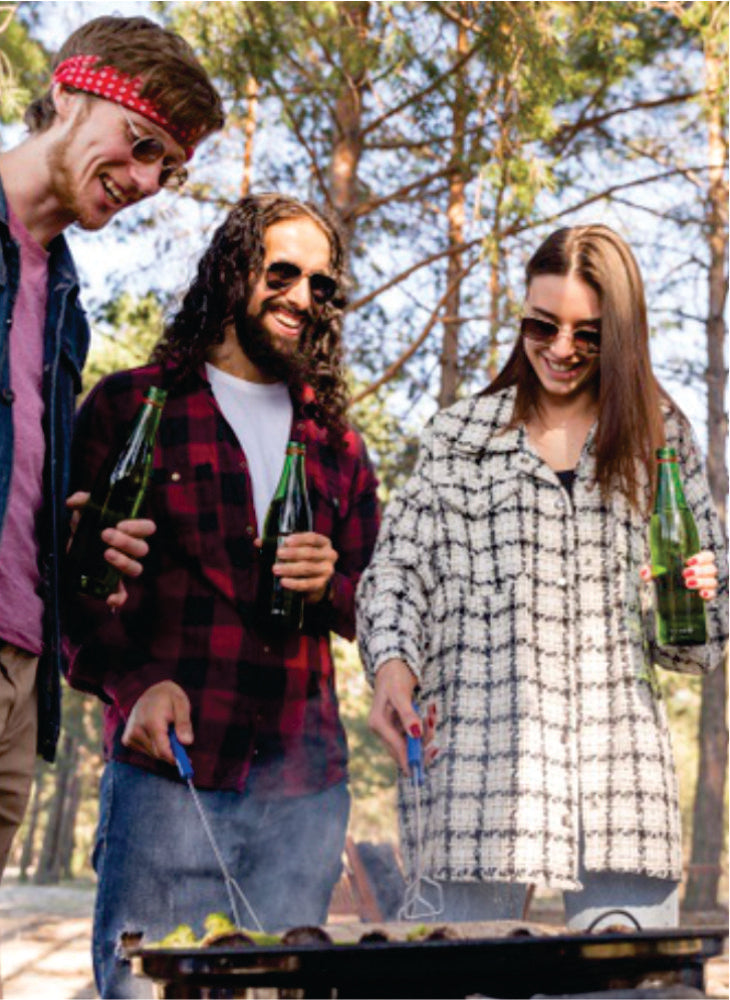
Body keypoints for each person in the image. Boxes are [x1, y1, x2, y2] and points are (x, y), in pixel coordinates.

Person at [357, 224, 727, 931]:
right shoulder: (460, 439)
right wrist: (393, 664)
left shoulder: (661, 440)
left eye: (588, 334)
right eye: (541, 324)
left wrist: (701, 594)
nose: (561, 349)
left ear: (620, 334)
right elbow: (395, 573)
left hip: (620, 786)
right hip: (473, 781)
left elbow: (697, 646)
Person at [64, 193, 381, 998]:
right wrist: (134, 686)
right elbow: (68, 587)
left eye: (321, 286)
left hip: (306, 791)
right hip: (166, 780)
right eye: (283, 273)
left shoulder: (338, 444)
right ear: (235, 270)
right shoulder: (130, 405)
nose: (302, 298)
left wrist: (333, 583)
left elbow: (380, 607)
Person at [0, 15, 223, 883]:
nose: (145, 180)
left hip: (23, 671)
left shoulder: (63, 299)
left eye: (166, 166)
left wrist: (74, 541)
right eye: (138, 145)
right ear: (69, 89)